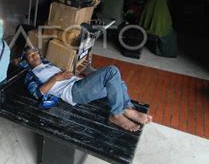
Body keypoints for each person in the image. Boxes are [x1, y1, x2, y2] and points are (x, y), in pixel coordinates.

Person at [22, 46, 152, 132]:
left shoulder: (48, 64)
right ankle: (116, 114)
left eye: (35, 53)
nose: (34, 56)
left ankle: (127, 109)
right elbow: (37, 93)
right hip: (73, 92)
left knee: (119, 82)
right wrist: (57, 77)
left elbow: (64, 76)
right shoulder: (31, 75)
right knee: (112, 71)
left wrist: (77, 75)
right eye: (30, 55)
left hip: (79, 84)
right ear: (26, 60)